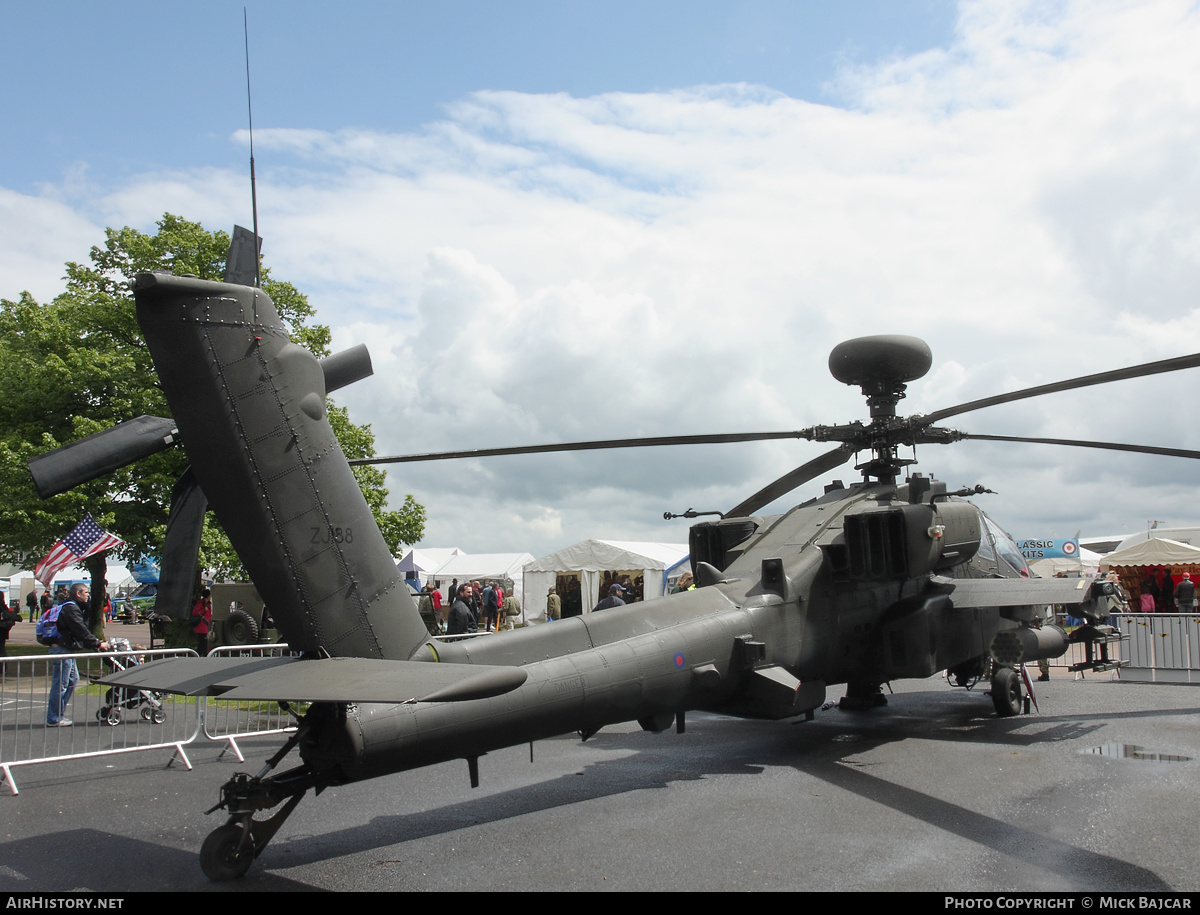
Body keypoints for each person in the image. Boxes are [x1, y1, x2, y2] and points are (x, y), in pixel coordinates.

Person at [46, 582, 109, 726]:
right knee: (61, 683)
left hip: (67, 648)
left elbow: (82, 624)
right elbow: (79, 629)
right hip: (61, 649)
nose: (88, 595)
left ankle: (57, 714)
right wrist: (97, 643)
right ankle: (53, 718)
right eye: (86, 593)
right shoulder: (70, 608)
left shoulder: (75, 607)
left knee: (73, 680)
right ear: (78, 594)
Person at [190, 588, 212, 656]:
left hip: (207, 627)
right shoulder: (201, 603)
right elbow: (194, 612)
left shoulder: (208, 604)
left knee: (205, 644)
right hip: (202, 628)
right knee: (203, 644)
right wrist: (203, 610)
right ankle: (200, 655)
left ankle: (201, 655)